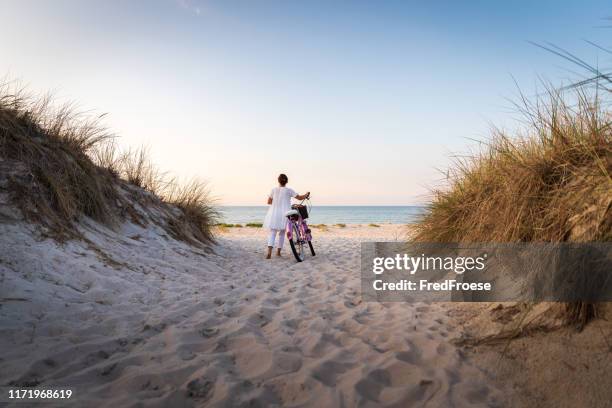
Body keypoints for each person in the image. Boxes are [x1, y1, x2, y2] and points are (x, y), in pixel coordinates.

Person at [263, 174, 310, 259]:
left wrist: (277, 202)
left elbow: (269, 202)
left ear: (278, 181)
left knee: (272, 232)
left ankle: (269, 252)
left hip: (274, 213)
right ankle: (278, 252)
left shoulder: (273, 190)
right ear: (286, 181)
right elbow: (299, 197)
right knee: (282, 233)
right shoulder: (289, 190)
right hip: (285, 213)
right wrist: (306, 194)